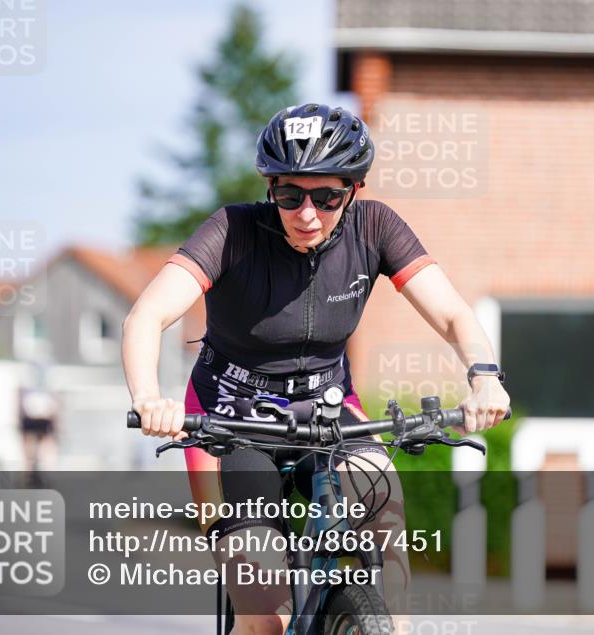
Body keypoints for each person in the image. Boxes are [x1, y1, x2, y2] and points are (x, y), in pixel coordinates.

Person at [122, 103, 510, 634]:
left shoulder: (375, 227)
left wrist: (484, 377)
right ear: (271, 189)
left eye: (327, 197)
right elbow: (148, 314)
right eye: (290, 195)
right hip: (229, 418)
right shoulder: (233, 230)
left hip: (326, 406)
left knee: (383, 507)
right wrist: (148, 397)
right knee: (266, 617)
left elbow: (451, 313)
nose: (307, 213)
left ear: (353, 189)